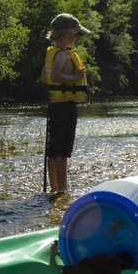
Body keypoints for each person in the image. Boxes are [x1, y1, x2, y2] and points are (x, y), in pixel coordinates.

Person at [41, 13, 90, 195]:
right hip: (65, 107)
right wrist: (76, 76)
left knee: (53, 151)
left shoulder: (52, 54)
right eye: (75, 34)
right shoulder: (62, 55)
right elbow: (55, 76)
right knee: (62, 150)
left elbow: (44, 77)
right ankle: (62, 190)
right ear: (64, 34)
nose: (76, 37)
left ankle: (54, 188)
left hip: (55, 106)